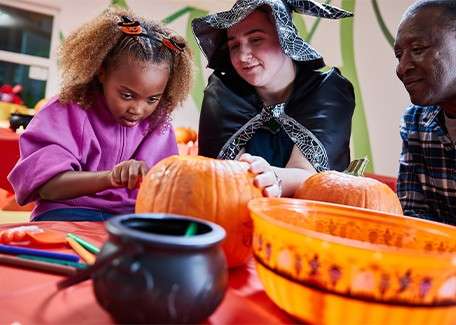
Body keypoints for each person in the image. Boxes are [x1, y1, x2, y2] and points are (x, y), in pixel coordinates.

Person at [8, 8, 193, 221]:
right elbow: (49, 188)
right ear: (101, 72)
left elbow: (164, 190)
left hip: (129, 218)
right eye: (127, 95)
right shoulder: (67, 109)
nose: (138, 109)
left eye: (152, 99)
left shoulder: (158, 123)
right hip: (66, 213)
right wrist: (112, 177)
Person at [192, 0, 355, 198]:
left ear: (285, 38)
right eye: (234, 45)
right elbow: (228, 179)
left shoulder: (328, 91)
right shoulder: (223, 93)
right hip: (243, 211)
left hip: (309, 217)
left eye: (256, 39)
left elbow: (310, 177)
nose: (243, 56)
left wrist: (271, 177)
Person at [395, 0, 456, 225]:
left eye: (418, 50)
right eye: (399, 55)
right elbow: (412, 214)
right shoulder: (415, 122)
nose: (402, 67)